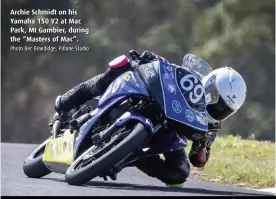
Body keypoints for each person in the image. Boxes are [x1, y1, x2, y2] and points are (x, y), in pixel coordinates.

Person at [53, 51, 247, 188]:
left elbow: (198, 160)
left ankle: (133, 156)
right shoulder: (191, 77)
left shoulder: (211, 127)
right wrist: (153, 58)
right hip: (152, 101)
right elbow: (167, 67)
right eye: (216, 101)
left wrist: (202, 146)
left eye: (224, 110)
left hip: (165, 132)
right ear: (209, 86)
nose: (217, 110)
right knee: (121, 66)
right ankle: (67, 101)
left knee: (179, 173)